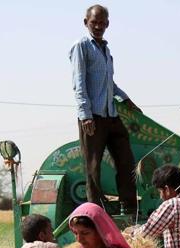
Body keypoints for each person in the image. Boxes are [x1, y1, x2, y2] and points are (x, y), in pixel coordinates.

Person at [69, 4, 141, 211]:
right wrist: (85, 116)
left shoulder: (106, 50)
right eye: (94, 22)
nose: (98, 26)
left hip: (111, 114)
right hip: (92, 117)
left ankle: (128, 206)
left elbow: (111, 84)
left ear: (107, 24)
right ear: (86, 22)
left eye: (102, 23)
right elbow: (79, 83)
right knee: (93, 167)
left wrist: (126, 100)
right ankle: (96, 209)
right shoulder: (81, 46)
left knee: (127, 160)